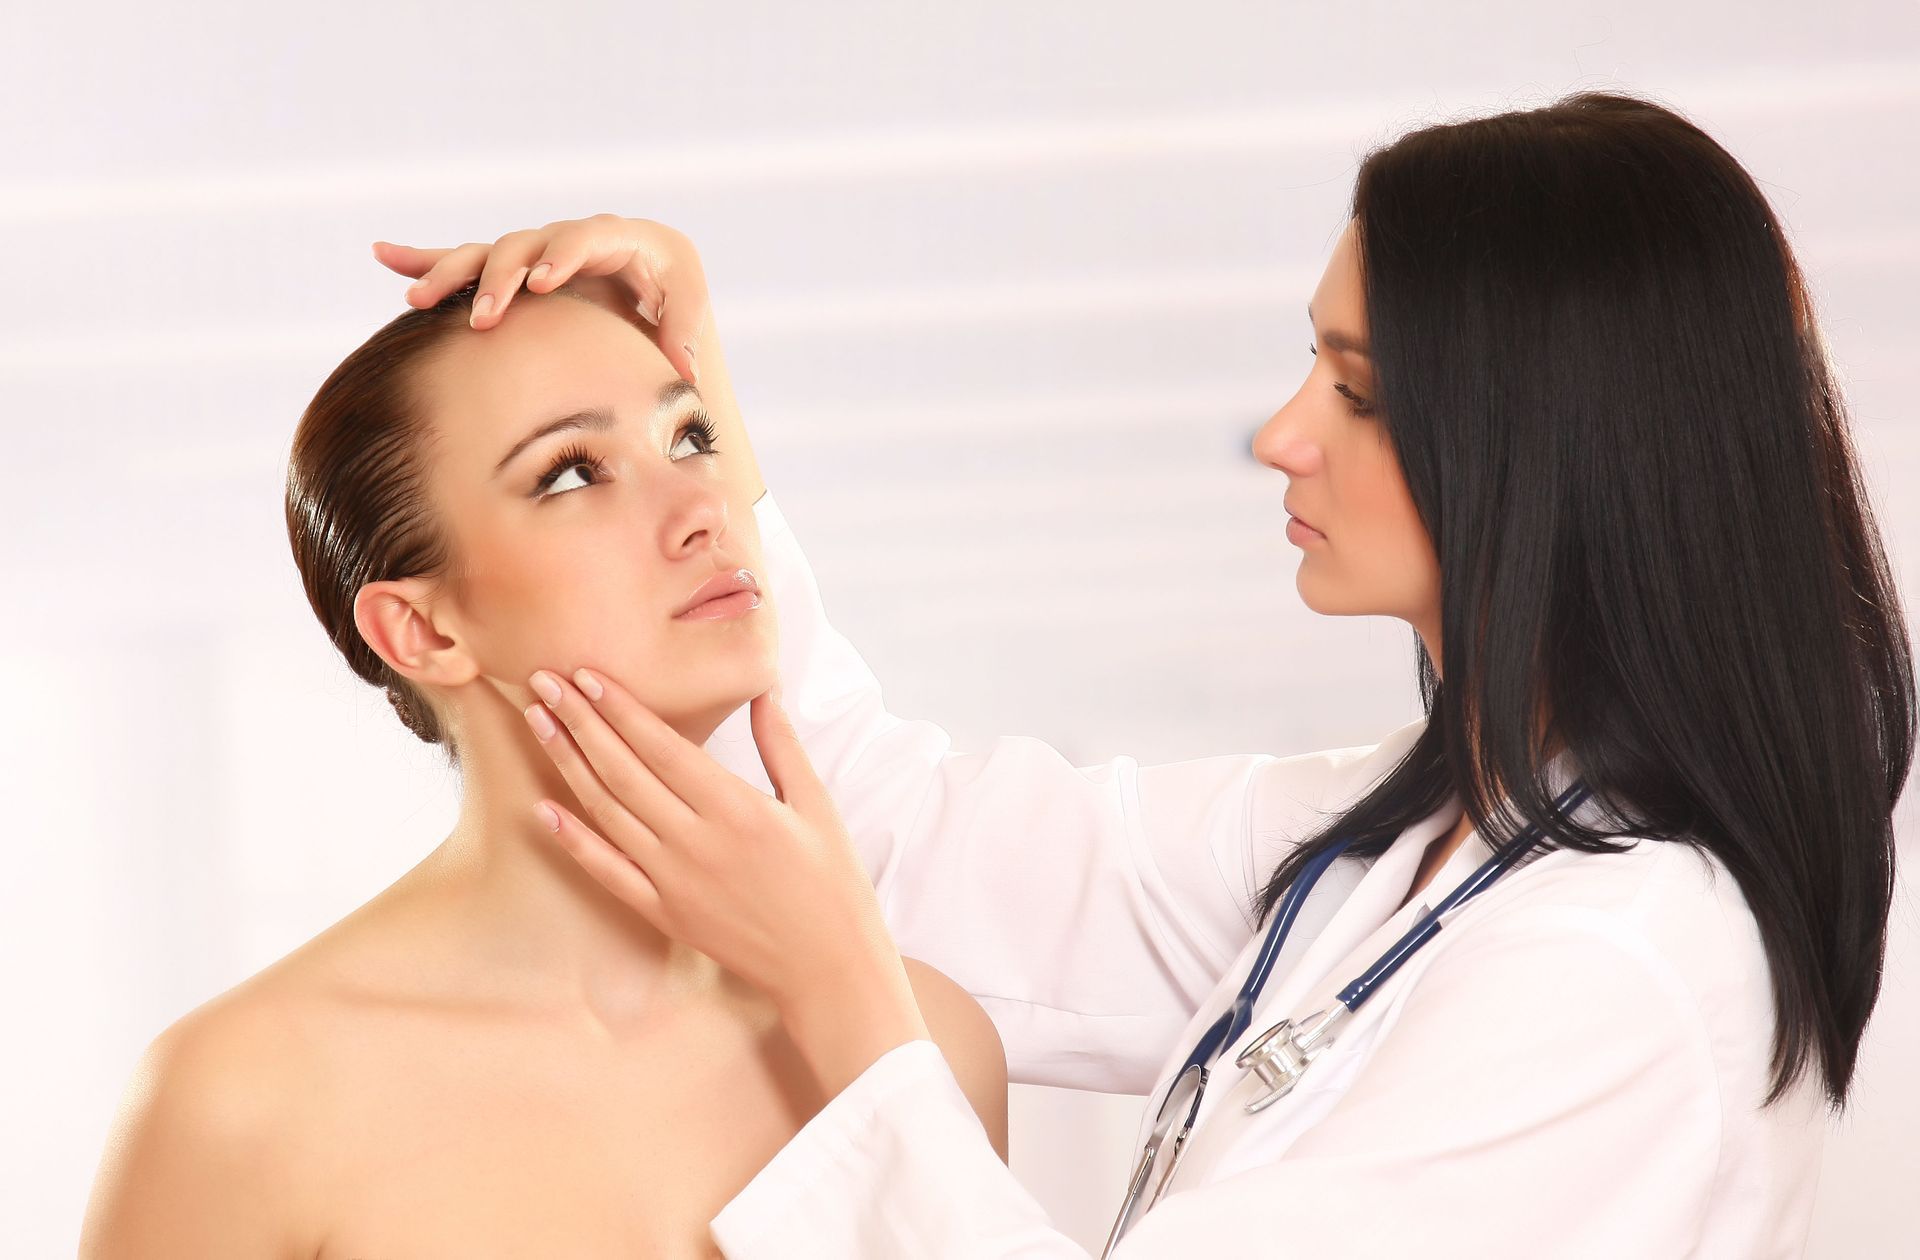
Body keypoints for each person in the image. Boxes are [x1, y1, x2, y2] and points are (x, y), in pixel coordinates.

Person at [378, 90, 1912, 1257]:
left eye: (1359, 393)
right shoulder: (1412, 837)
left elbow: (868, 901)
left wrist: (836, 993)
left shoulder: (1622, 972)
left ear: (1550, 458)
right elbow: (915, 836)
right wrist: (693, 388)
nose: (1281, 434)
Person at [77, 274, 1009, 1259]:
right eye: (571, 472)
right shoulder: (246, 1101)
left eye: (693, 438)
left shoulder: (926, 1048)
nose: (705, 508)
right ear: (424, 631)